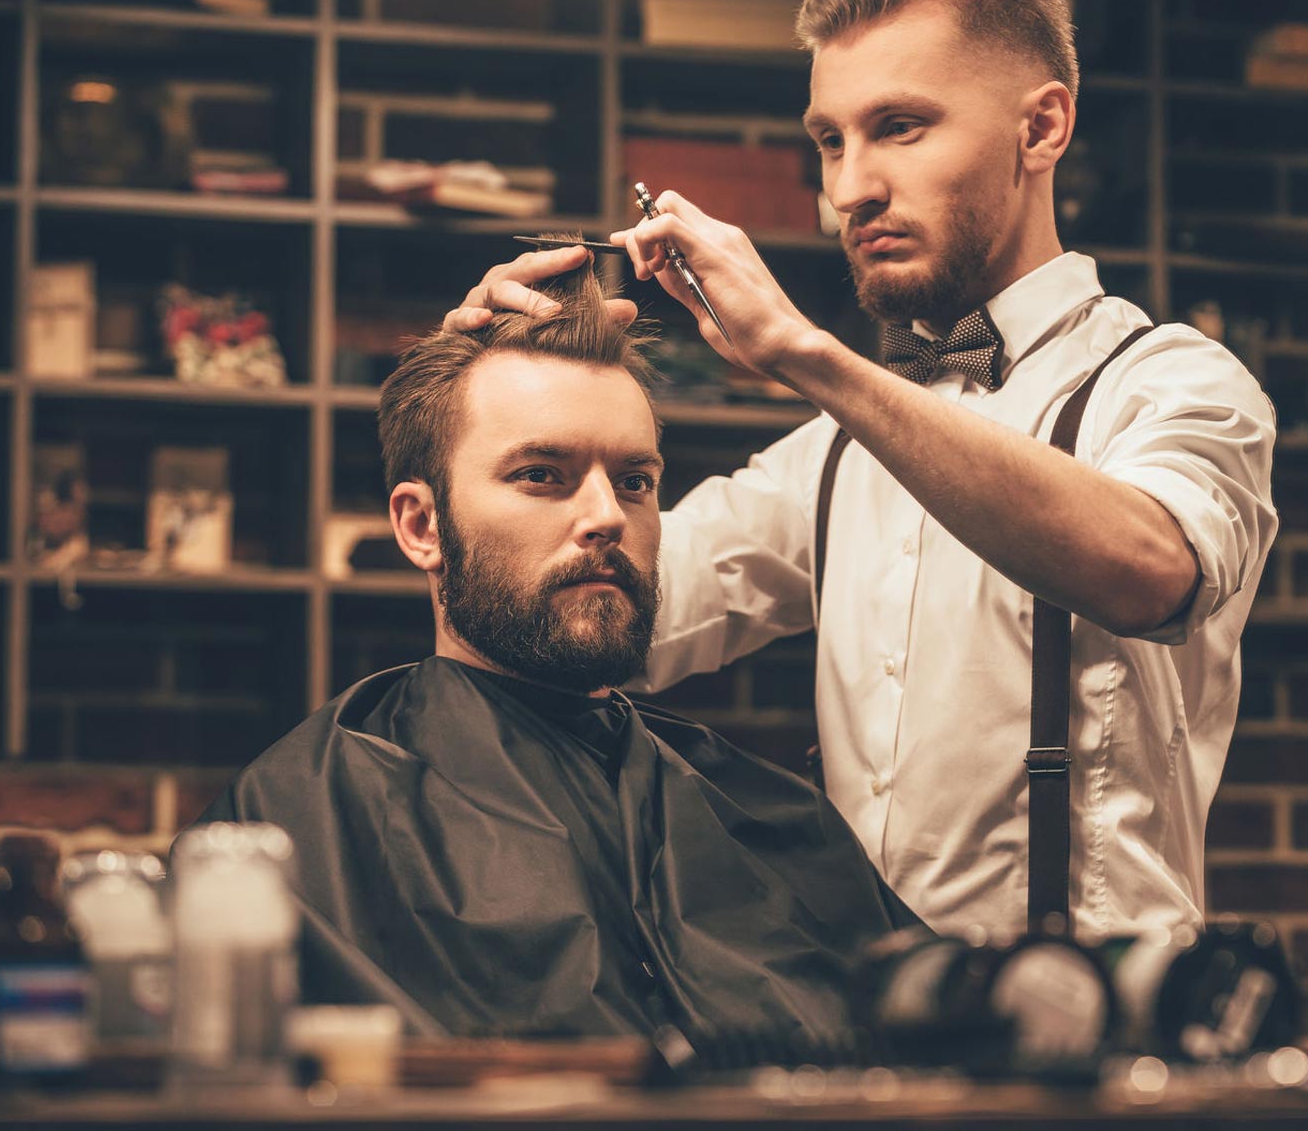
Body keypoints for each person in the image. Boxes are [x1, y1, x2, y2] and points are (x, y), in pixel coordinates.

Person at [443, 0, 1278, 945]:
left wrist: (807, 355)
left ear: (1042, 126)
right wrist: (484, 408)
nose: (848, 190)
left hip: (1102, 1046)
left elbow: (1150, 571)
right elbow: (594, 617)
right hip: (870, 1036)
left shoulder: (1172, 380)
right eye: (830, 142)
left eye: (899, 128)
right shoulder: (830, 457)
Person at [196, 262, 914, 1042]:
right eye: (543, 476)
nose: (607, 514)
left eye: (636, 481)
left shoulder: (767, 816)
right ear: (421, 528)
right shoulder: (310, 811)